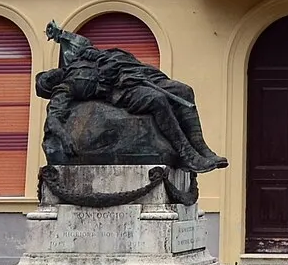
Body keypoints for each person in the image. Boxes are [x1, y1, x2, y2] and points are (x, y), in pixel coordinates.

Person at [39, 22, 228, 172]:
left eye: (46, 74)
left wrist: (60, 35)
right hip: (121, 89)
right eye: (46, 80)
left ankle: (202, 148)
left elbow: (76, 41)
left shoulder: (79, 58)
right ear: (50, 86)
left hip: (135, 72)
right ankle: (187, 154)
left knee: (184, 90)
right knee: (156, 100)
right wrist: (64, 137)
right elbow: (54, 117)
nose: (49, 75)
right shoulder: (66, 87)